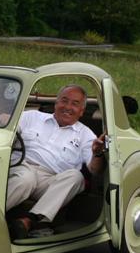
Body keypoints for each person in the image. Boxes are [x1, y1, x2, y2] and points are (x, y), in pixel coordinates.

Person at [6, 85, 106, 238]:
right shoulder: (31, 117)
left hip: (51, 180)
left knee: (76, 177)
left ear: (81, 111)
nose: (67, 107)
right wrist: (4, 119)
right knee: (26, 179)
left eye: (75, 104)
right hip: (22, 167)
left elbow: (95, 170)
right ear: (56, 104)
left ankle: (29, 221)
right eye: (64, 101)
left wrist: (97, 154)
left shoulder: (86, 135)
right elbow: (6, 130)